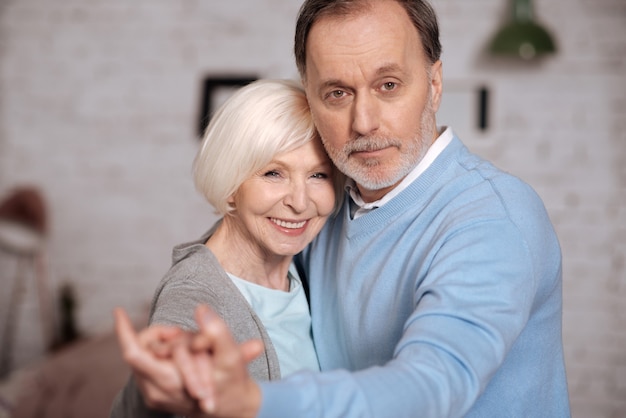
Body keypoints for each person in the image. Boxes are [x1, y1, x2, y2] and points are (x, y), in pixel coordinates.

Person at [117, 0, 571, 417]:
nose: (364, 122)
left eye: (388, 85)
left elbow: (433, 384)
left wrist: (253, 402)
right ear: (311, 98)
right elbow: (237, 262)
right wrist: (177, 357)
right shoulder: (324, 209)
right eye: (337, 93)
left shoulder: (491, 219)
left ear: (434, 85)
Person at [109, 79, 343, 417]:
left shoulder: (309, 264)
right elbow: (162, 384)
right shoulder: (194, 294)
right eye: (274, 173)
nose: (299, 201)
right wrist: (157, 390)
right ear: (231, 183)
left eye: (318, 176)